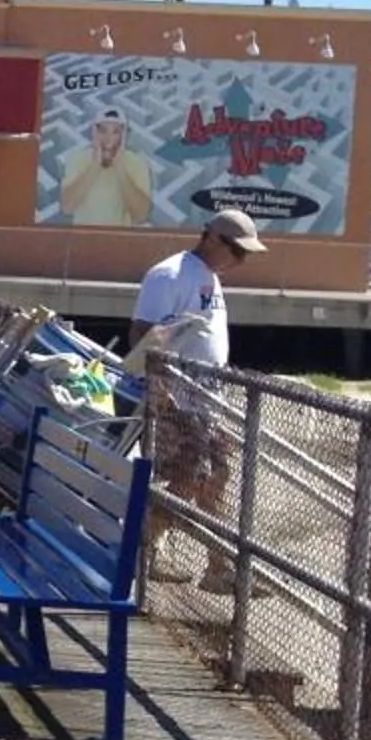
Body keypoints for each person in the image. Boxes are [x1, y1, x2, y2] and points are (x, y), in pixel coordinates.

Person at [133, 208, 264, 589]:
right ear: (211, 238)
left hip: (205, 398)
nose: (240, 261)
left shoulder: (209, 277)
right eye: (236, 251)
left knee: (214, 475)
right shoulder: (170, 274)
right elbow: (142, 333)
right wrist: (162, 392)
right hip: (177, 397)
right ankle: (152, 550)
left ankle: (213, 565)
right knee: (190, 475)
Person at [57, 109, 155, 228]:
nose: (109, 140)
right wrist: (95, 166)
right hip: (84, 240)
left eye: (116, 132)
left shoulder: (137, 163)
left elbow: (141, 215)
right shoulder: (77, 159)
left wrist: (119, 167)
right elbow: (67, 207)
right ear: (94, 134)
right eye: (103, 131)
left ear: (124, 136)